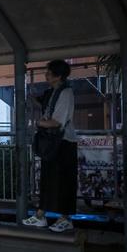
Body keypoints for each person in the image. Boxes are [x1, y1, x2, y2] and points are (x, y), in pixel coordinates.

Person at [24, 59, 78, 233]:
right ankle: (42, 214)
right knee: (48, 178)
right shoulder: (54, 91)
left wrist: (39, 123)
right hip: (56, 142)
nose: (46, 75)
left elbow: (56, 121)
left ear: (58, 76)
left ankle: (64, 218)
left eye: (49, 73)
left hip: (63, 142)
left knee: (63, 180)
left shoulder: (65, 93)